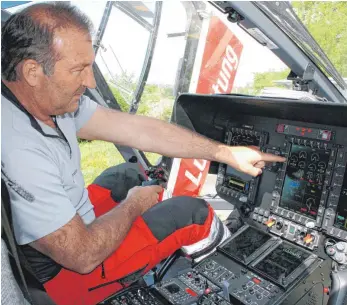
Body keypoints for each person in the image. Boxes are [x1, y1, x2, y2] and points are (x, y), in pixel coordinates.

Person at [1, 2, 285, 305]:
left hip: (61, 228)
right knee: (194, 213)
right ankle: (227, 287)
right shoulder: (19, 146)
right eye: (78, 70)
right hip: (67, 279)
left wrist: (225, 152)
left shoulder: (43, 101)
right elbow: (81, 257)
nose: (90, 81)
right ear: (32, 71)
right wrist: (134, 205)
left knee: (128, 175)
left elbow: (137, 131)